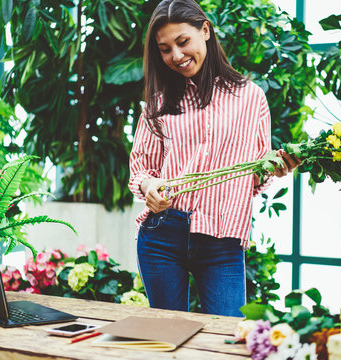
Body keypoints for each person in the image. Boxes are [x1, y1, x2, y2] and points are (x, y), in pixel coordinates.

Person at [128, 0, 299, 317]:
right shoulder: (158, 103)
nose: (176, 56)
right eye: (165, 49)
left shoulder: (250, 97)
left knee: (226, 338)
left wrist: (275, 168)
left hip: (223, 241)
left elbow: (254, 175)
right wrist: (150, 187)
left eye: (183, 42)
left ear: (204, 30)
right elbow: (141, 169)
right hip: (164, 235)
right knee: (167, 338)